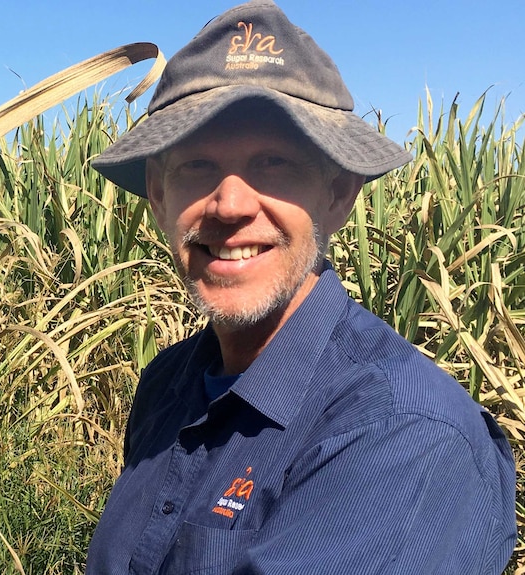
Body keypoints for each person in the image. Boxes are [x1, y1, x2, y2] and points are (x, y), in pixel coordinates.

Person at [84, 1, 517, 573]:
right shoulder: (167, 385)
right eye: (196, 165)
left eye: (273, 162)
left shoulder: (402, 437)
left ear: (338, 194)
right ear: (160, 198)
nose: (230, 205)